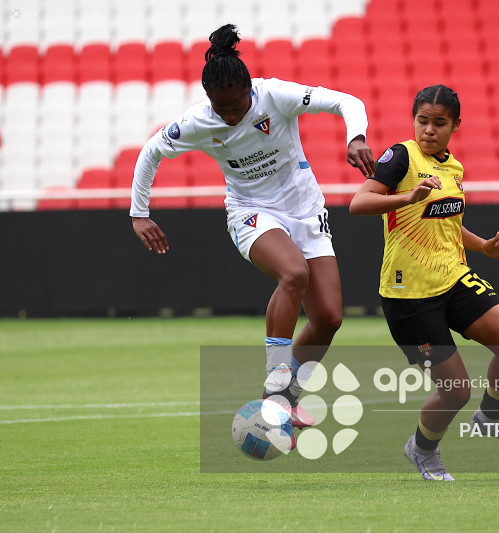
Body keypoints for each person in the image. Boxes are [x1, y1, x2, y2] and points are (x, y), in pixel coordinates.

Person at [130, 24, 375, 428]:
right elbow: (150, 153)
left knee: (329, 318)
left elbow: (346, 102)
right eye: (220, 107)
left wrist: (356, 138)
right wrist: (139, 214)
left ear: (250, 90)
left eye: (236, 105)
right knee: (293, 273)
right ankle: (277, 387)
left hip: (305, 209)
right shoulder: (196, 122)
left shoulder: (275, 95)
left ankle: (285, 396)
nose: (229, 115)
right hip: (251, 211)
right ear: (209, 99)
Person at [350, 85, 499, 481]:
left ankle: (491, 416)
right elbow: (358, 203)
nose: (429, 130)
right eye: (422, 120)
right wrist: (407, 198)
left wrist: (483, 246)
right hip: (409, 297)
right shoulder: (401, 157)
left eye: (439, 123)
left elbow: (447, 222)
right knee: (456, 391)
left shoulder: (454, 168)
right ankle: (422, 451)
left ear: (455, 126)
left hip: (454, 278)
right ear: (413, 119)